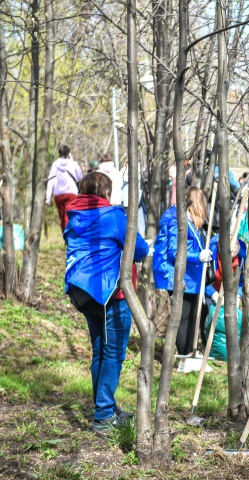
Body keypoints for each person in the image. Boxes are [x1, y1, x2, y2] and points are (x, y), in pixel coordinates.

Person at [63, 172, 149, 433]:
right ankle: (103, 416)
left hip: (82, 293)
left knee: (100, 350)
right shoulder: (113, 216)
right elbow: (141, 250)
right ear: (106, 193)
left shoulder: (73, 216)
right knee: (113, 353)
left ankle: (106, 407)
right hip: (112, 293)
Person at [153, 186, 213, 372]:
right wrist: (199, 256)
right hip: (178, 275)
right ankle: (185, 359)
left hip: (192, 275)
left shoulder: (188, 221)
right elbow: (175, 251)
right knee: (183, 317)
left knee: (194, 315)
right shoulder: (177, 221)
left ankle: (191, 354)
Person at [46, 145, 84, 231]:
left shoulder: (55, 164)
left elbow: (50, 180)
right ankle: (72, 237)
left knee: (62, 217)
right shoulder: (73, 163)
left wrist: (48, 198)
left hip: (58, 194)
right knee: (71, 215)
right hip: (71, 193)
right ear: (68, 153)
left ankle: (66, 237)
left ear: (59, 153)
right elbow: (80, 178)